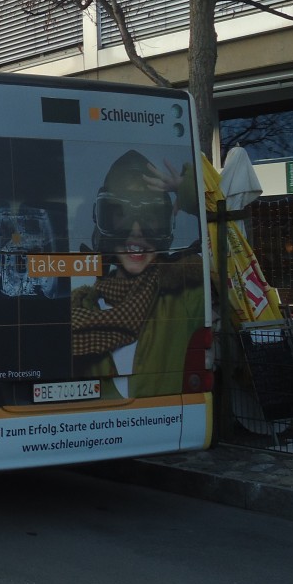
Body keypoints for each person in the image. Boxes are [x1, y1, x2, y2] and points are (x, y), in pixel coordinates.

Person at [71, 149, 205, 398]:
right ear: (103, 223)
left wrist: (188, 194)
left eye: (151, 217)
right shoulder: (80, 310)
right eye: (121, 215)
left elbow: (231, 257)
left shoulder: (188, 297)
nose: (136, 231)